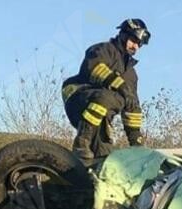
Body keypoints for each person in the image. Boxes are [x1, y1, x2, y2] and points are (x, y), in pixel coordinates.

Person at [61, 19, 150, 163]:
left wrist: (137, 143)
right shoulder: (103, 49)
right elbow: (93, 68)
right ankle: (82, 141)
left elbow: (132, 106)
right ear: (123, 35)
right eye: (133, 40)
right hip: (78, 95)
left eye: (139, 44)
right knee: (108, 97)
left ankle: (79, 176)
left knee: (104, 157)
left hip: (99, 114)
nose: (136, 46)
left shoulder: (131, 75)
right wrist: (120, 85)